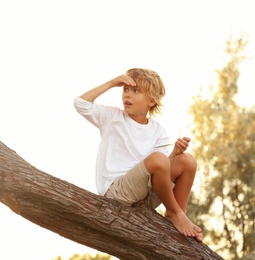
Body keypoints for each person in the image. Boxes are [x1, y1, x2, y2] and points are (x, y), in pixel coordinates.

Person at [74, 68, 202, 242]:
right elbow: (80, 103)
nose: (127, 95)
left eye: (135, 91)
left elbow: (163, 167)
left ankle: (176, 215)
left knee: (187, 161)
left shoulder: (159, 131)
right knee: (158, 159)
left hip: (145, 192)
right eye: (125, 89)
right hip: (117, 192)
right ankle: (175, 212)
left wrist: (175, 153)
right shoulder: (112, 117)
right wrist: (112, 83)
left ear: (152, 100)